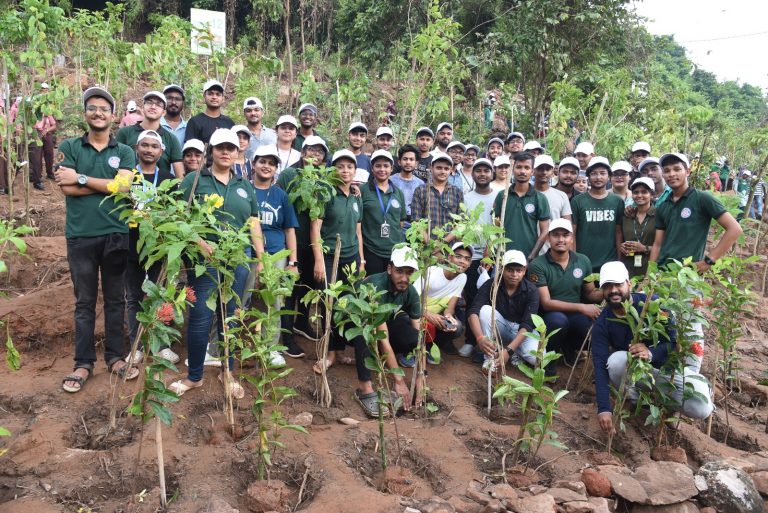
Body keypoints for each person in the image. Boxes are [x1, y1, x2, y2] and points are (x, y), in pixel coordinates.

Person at [171, 128, 265, 398]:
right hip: (204, 261)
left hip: (237, 261)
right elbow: (180, 216)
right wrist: (201, 242)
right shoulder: (195, 179)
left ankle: (228, 372)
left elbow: (253, 223)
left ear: (238, 154)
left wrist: (261, 258)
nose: (226, 152)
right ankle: (195, 376)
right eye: (220, 147)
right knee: (201, 316)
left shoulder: (244, 185)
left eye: (231, 148)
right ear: (211, 151)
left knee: (230, 316)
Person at [56, 87, 138, 393]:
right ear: (85, 113)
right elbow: (66, 189)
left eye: (104, 108)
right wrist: (107, 185)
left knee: (116, 299)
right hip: (80, 236)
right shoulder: (70, 146)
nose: (98, 112)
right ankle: (83, 363)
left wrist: (81, 178)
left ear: (113, 115)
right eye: (92, 107)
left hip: (116, 234)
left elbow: (123, 187)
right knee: (84, 302)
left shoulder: (125, 151)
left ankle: (116, 358)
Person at [592, 261, 713, 435]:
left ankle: (671, 403)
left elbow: (674, 344)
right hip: (638, 375)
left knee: (701, 408)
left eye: (618, 284)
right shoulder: (603, 323)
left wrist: (651, 353)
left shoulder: (654, 305)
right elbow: (599, 364)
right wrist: (604, 408)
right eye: (607, 286)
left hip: (667, 373)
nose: (613, 291)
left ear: (629, 284)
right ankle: (638, 402)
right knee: (616, 361)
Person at [649, 153, 742, 372]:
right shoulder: (663, 206)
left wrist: (709, 260)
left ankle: (690, 378)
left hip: (687, 277)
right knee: (662, 325)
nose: (671, 174)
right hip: (662, 276)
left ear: (688, 171)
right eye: (667, 170)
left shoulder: (702, 199)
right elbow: (657, 245)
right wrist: (649, 276)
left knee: (690, 327)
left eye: (676, 169)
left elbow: (734, 229)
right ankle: (667, 373)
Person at [328, 246, 420, 417]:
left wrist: (421, 376)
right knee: (365, 332)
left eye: (409, 273)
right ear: (389, 269)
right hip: (347, 326)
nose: (404, 278)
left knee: (412, 337)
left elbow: (418, 335)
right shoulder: (376, 287)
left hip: (381, 323)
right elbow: (383, 338)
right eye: (400, 271)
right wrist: (399, 381)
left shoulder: (411, 291)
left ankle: (381, 361)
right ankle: (365, 388)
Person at [124, 130, 180, 364]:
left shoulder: (167, 179)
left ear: (162, 151)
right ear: (137, 148)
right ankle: (135, 345)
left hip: (159, 245)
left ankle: (162, 344)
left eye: (154, 146)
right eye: (144, 145)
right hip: (131, 244)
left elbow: (176, 214)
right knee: (134, 296)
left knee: (162, 293)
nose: (149, 150)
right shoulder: (127, 178)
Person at [528, 219, 603, 373]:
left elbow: (590, 293)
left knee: (595, 331)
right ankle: (549, 360)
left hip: (575, 315)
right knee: (558, 321)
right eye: (555, 235)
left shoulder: (583, 260)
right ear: (548, 238)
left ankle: (569, 349)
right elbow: (546, 303)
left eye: (565, 235)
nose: (561, 239)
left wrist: (610, 290)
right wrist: (582, 307)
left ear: (572, 238)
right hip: (549, 315)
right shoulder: (538, 265)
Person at [249, 145, 303, 360]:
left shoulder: (281, 195)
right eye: (262, 161)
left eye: (271, 163)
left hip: (277, 254)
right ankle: (235, 346)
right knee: (243, 300)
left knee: (274, 302)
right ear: (254, 164)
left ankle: (270, 349)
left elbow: (289, 229)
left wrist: (293, 261)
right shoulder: (244, 188)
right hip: (247, 254)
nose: (266, 166)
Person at [277, 135, 330, 341]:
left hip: (313, 242)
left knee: (308, 285)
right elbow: (280, 200)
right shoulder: (290, 174)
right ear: (302, 152)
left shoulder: (324, 179)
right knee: (290, 289)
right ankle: (287, 336)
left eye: (320, 151)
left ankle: (301, 323)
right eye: (311, 149)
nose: (315, 154)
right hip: (292, 239)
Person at [469, 249, 540, 367]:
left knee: (538, 360)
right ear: (502, 269)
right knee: (485, 311)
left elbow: (528, 325)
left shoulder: (532, 290)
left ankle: (513, 351)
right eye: (510, 270)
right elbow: (473, 311)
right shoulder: (492, 284)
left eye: (519, 270)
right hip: (502, 327)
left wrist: (509, 351)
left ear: (524, 271)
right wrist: (480, 338)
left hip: (522, 332)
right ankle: (489, 359)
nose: (514, 274)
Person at [407, 242, 471, 363]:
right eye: (458, 256)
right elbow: (409, 302)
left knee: (456, 327)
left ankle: (431, 346)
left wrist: (448, 317)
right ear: (449, 257)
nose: (463, 261)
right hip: (415, 314)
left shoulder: (463, 278)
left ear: (470, 263)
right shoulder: (431, 272)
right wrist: (429, 315)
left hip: (435, 317)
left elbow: (450, 307)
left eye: (467, 259)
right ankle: (410, 350)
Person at [460, 157, 496, 357]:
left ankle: (489, 343)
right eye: (478, 170)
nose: (482, 174)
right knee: (472, 297)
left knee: (490, 299)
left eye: (486, 170)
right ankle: (470, 340)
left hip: (491, 256)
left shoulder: (499, 197)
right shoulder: (467, 197)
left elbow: (497, 225)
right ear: (472, 174)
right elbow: (463, 224)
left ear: (492, 174)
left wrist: (489, 253)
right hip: (472, 256)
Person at [494, 152, 550, 260]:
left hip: (528, 257)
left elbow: (545, 231)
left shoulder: (540, 198)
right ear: (512, 169)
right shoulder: (502, 195)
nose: (522, 171)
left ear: (532, 171)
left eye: (527, 168)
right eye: (519, 167)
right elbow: (494, 226)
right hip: (502, 257)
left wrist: (532, 255)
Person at [571, 156, 624, 272]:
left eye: (602, 173)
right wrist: (574, 260)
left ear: (609, 176)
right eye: (594, 173)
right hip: (584, 262)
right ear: (589, 177)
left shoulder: (617, 201)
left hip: (610, 263)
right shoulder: (578, 201)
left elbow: (618, 232)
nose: (598, 177)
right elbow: (572, 233)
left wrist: (620, 260)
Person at [116, 90, 184, 179]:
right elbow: (115, 163)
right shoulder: (125, 133)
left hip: (161, 190)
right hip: (127, 189)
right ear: (142, 107)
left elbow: (179, 174)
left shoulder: (171, 138)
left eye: (158, 104)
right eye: (149, 103)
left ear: (164, 112)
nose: (153, 107)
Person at [361, 150, 406, 275]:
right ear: (372, 168)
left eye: (386, 166)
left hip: (394, 250)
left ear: (392, 168)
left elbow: (401, 222)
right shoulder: (363, 190)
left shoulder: (398, 193)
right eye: (378, 166)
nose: (382, 169)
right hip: (371, 249)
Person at [410, 152, 464, 237]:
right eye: (439, 168)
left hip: (450, 247)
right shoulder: (420, 190)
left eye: (446, 169)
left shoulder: (457, 192)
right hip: (426, 246)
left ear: (450, 170)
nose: (443, 171)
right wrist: (430, 244)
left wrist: (444, 242)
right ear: (431, 168)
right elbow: (416, 220)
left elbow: (460, 223)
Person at [534, 155, 572, 255]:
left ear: (553, 171)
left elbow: (568, 227)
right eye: (540, 169)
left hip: (552, 251)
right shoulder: (526, 195)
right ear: (533, 170)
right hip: (527, 247)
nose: (544, 172)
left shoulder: (561, 196)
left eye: (548, 169)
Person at [619, 177, 656, 278]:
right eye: (636, 192)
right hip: (628, 269)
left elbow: (664, 246)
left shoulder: (659, 216)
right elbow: (620, 238)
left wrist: (644, 248)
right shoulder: (627, 216)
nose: (639, 195)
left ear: (652, 195)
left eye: (644, 192)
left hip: (651, 271)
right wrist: (621, 246)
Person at [184, 80, 235, 144]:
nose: (214, 97)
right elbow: (190, 149)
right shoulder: (195, 122)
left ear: (223, 98)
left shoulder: (229, 122)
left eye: (218, 94)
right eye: (210, 94)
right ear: (204, 96)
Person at [389, 144, 425, 230]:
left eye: (411, 159)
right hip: (393, 223)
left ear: (416, 163)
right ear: (399, 162)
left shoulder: (420, 184)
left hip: (414, 226)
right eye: (405, 159)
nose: (408, 162)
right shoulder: (390, 181)